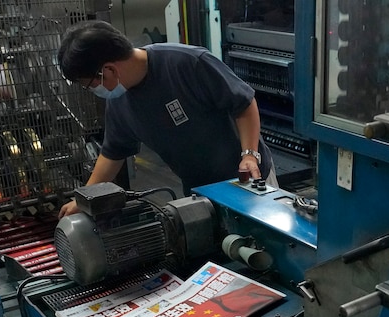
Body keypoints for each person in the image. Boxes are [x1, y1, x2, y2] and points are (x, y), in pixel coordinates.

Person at [56, 20, 277, 218]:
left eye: (90, 84)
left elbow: (244, 103)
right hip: (199, 191)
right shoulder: (119, 103)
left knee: (265, 251)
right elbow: (113, 154)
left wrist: (249, 155)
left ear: (109, 70)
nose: (93, 90)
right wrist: (84, 199)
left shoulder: (188, 63)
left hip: (248, 178)